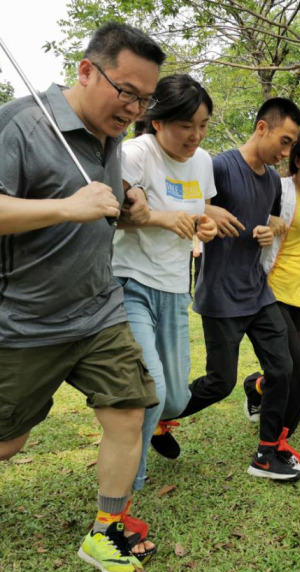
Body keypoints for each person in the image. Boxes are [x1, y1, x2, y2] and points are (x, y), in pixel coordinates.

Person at [0, 23, 165, 572]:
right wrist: (67, 207)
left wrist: (128, 206)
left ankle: (105, 530)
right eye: (126, 91)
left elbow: (101, 200)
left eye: (145, 98)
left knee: (129, 409)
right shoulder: (18, 123)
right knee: (2, 441)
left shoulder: (112, 136)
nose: (134, 109)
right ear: (86, 70)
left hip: (96, 309)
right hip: (20, 320)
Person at [166, 98, 300, 482]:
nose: (286, 152)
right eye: (284, 140)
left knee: (283, 368)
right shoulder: (219, 166)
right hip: (221, 295)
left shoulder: (273, 180)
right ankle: (159, 418)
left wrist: (270, 229)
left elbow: (274, 219)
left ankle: (267, 452)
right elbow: (192, 208)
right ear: (262, 127)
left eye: (292, 145)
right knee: (220, 383)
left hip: (258, 292)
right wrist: (208, 214)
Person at [112, 74, 218, 500]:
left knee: (174, 398)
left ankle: (151, 426)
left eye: (203, 125)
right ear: (157, 122)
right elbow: (112, 211)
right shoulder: (135, 153)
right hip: (130, 280)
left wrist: (204, 223)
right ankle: (122, 496)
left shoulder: (204, 161)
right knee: (148, 389)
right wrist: (159, 217)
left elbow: (201, 209)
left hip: (175, 286)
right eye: (185, 125)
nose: (195, 136)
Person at [243, 127, 300, 452]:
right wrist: (268, 221)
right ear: (298, 160)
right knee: (294, 376)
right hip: (273, 293)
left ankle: (255, 387)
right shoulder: (279, 188)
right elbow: (249, 219)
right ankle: (275, 443)